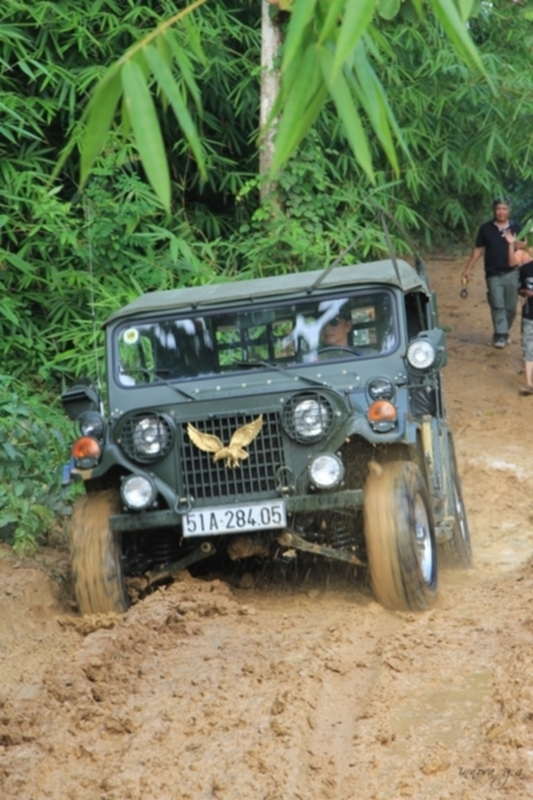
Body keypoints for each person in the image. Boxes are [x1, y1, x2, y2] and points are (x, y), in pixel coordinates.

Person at [461, 197, 525, 348]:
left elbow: (525, 247)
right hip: (493, 273)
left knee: (511, 308)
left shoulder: (516, 227)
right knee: (497, 305)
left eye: (504, 209)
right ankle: (500, 335)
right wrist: (468, 268)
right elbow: (478, 249)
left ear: (509, 210)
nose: (501, 212)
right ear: (493, 210)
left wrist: (522, 245)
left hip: (512, 273)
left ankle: (504, 331)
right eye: (498, 209)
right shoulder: (486, 228)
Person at [505, 231, 533, 394]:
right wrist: (525, 292)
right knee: (529, 348)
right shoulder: (525, 269)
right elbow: (520, 290)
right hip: (529, 314)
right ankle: (529, 384)